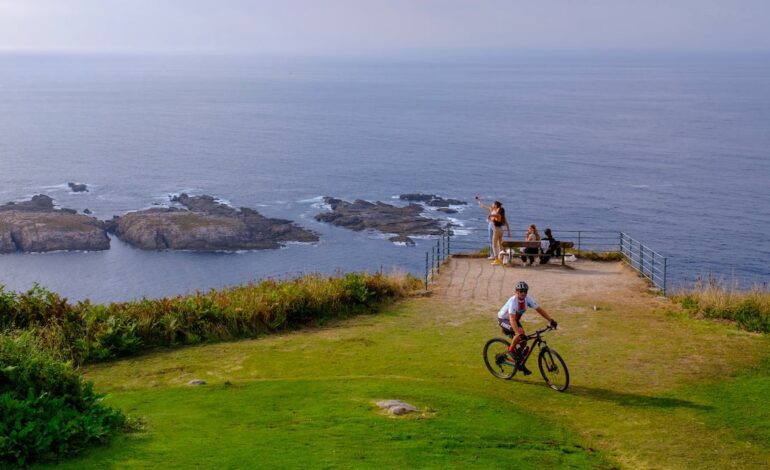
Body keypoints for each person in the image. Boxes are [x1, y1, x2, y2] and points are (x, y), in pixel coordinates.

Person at [496, 281, 557, 375]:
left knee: (524, 342)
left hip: (514, 320)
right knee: (520, 332)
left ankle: (519, 361)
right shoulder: (513, 301)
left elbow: (539, 310)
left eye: (525, 291)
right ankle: (511, 350)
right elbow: (511, 318)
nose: (523, 293)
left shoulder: (527, 299)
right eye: (521, 291)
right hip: (504, 319)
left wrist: (550, 320)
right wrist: (518, 333)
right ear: (516, 292)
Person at [490, 201, 511, 265]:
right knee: (500, 245)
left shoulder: (497, 215)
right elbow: (507, 224)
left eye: (493, 204)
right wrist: (509, 232)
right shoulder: (502, 216)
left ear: (496, 205)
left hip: (496, 230)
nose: (492, 205)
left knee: (494, 245)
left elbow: (493, 218)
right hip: (501, 230)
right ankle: (501, 258)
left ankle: (496, 260)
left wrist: (491, 215)